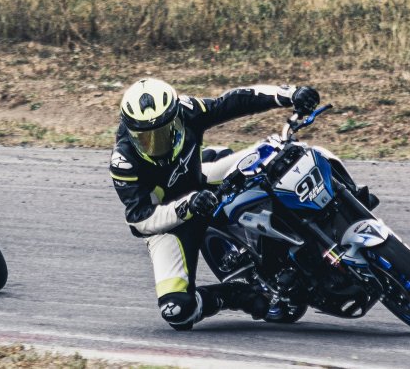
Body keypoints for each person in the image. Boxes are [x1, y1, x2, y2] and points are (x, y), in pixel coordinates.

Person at [110, 77, 321, 331]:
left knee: (283, 153)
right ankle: (235, 294)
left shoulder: (187, 110)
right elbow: (140, 220)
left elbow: (231, 102)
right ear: (130, 132)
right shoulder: (123, 160)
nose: (156, 144)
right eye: (145, 138)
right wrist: (187, 206)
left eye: (163, 133)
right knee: (176, 311)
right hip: (168, 223)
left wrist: (287, 94)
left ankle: (341, 199)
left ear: (175, 117)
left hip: (203, 179)